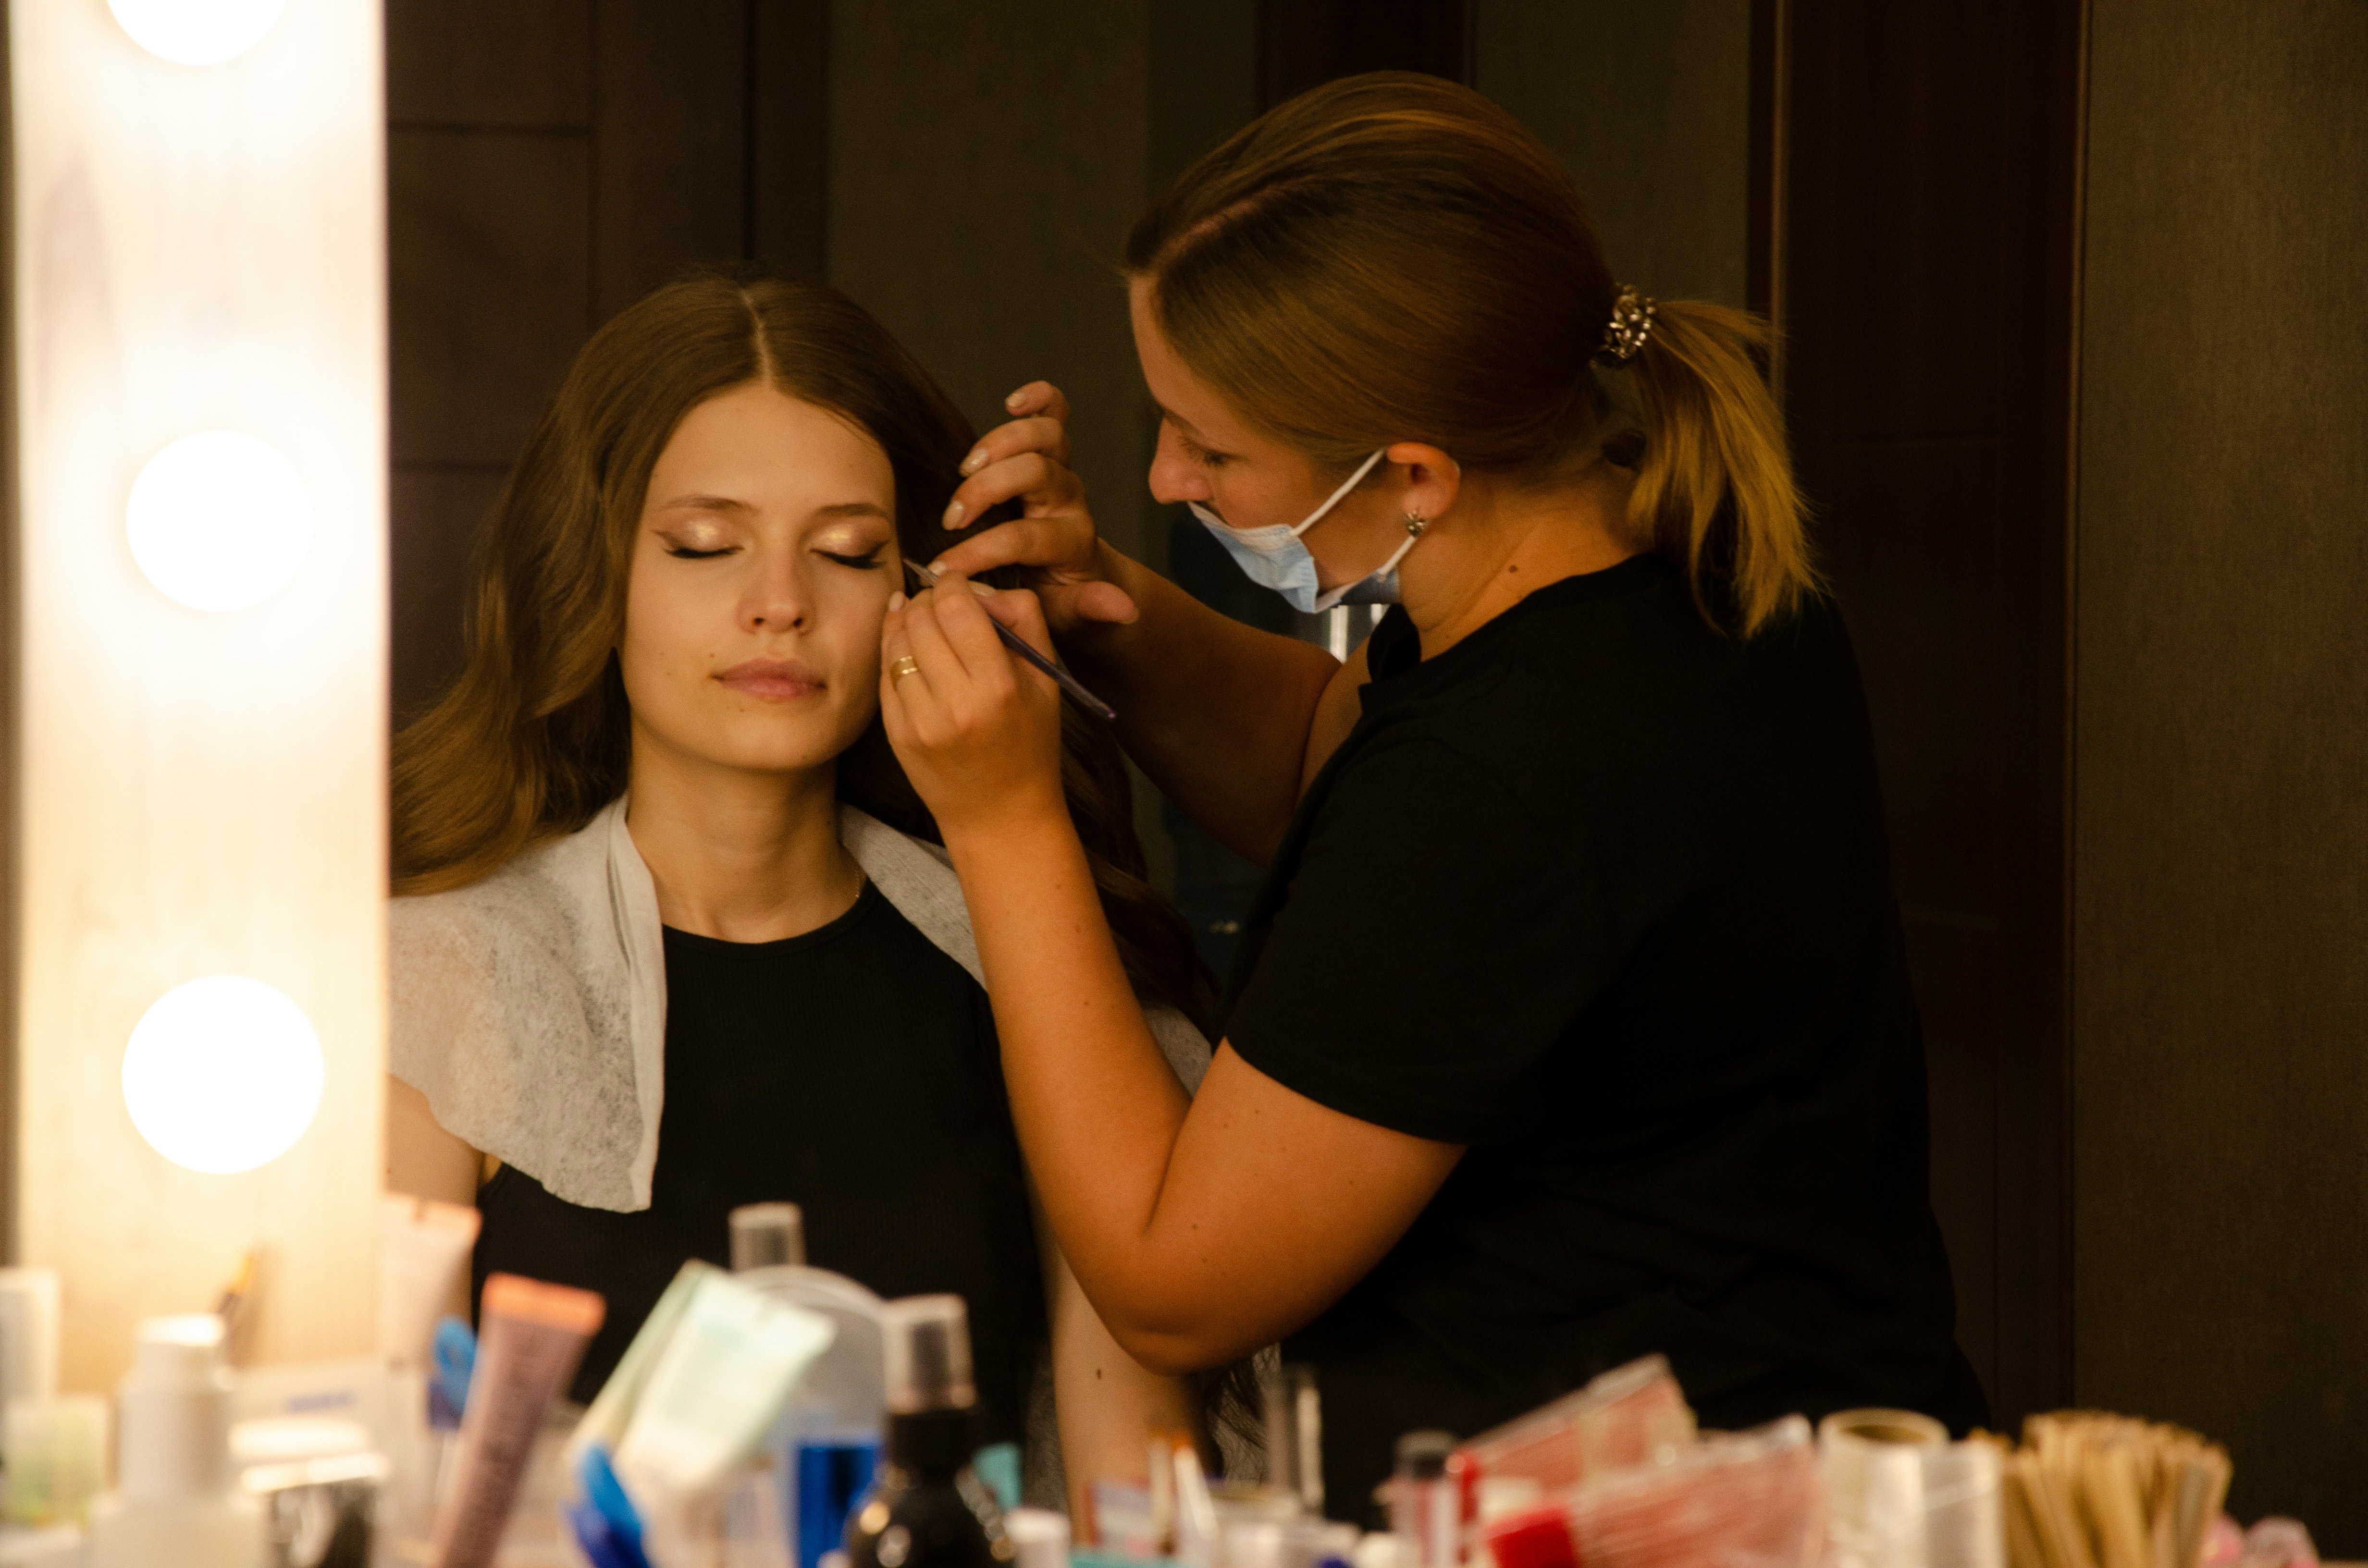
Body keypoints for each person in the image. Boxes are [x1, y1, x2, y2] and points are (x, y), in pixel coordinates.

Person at [872, 73, 1988, 1517]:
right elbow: (1337, 770)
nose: (1164, 473)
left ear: (1412, 474)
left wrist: (1005, 816)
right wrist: (1109, 607)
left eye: (1208, 445)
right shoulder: (1666, 571)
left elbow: (1169, 1282)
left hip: (1671, 1532)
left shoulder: (1513, 780)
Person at [379, 270, 1224, 1507]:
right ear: (599, 574)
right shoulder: (439, 988)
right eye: (705, 546)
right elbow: (375, 1486)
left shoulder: (1029, 969)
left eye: (847, 551)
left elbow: (1133, 1502)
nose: (779, 604)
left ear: (923, 587)